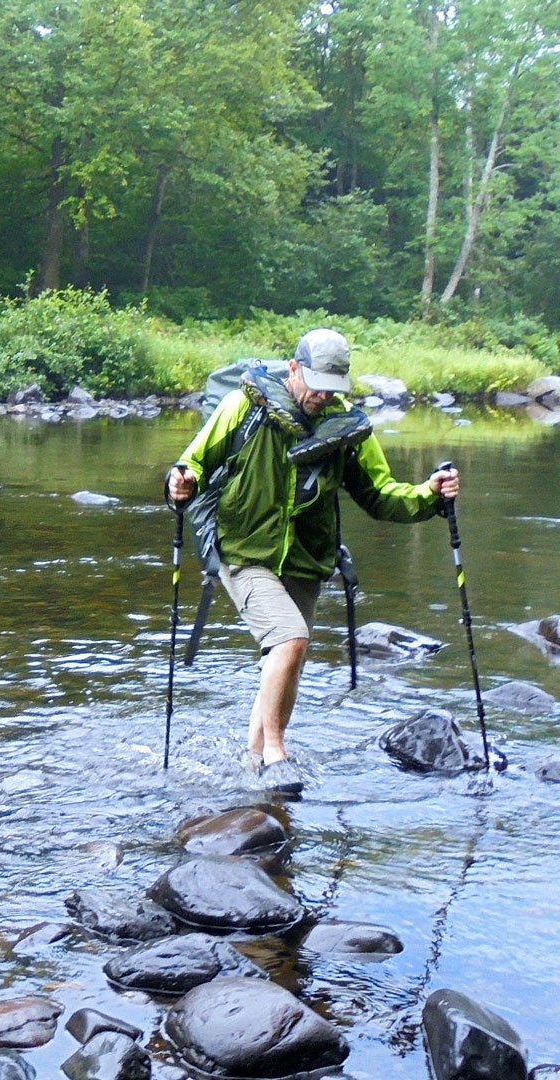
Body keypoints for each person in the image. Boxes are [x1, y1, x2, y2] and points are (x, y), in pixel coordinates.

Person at [165, 328, 460, 792]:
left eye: (334, 387)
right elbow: (194, 463)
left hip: (306, 557)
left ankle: (252, 761)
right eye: (317, 383)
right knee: (291, 640)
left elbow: (380, 495)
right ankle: (278, 756)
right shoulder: (244, 408)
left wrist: (429, 494)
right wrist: (179, 482)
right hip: (244, 549)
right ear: (295, 368)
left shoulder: (348, 428)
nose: (324, 395)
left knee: (286, 660)